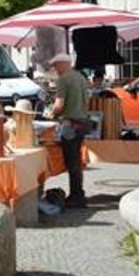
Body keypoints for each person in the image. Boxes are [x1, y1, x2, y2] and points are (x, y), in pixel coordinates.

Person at [46, 53, 90, 208]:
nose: (54, 68)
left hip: (69, 124)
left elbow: (59, 105)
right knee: (76, 162)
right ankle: (79, 193)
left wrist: (51, 114)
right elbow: (87, 101)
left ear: (63, 64)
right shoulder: (81, 78)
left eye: (56, 65)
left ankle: (76, 196)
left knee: (72, 163)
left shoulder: (63, 80)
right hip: (82, 122)